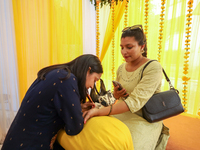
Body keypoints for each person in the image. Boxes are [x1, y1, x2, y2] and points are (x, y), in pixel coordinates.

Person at [83, 25, 169, 150]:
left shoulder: (153, 67)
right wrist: (116, 95)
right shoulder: (121, 68)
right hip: (121, 113)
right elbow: (117, 98)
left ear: (142, 47)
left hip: (144, 119)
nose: (124, 52)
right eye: (122, 47)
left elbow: (134, 102)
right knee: (98, 138)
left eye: (129, 47)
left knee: (127, 146)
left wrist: (99, 111)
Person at [2, 54, 103, 150]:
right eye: (95, 80)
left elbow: (48, 107)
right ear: (88, 70)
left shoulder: (55, 73)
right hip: (28, 145)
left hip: (16, 142)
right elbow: (74, 127)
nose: (92, 86)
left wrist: (77, 107)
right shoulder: (67, 79)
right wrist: (84, 113)